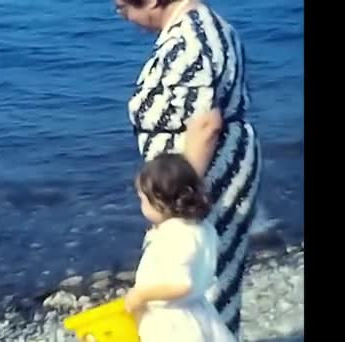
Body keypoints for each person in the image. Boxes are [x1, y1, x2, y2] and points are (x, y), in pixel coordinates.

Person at [114, 0, 262, 337]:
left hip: (205, 175)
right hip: (207, 172)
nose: (123, 17)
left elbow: (205, 123)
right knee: (209, 279)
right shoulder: (204, 27)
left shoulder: (190, 40)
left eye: (123, 7)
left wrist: (172, 198)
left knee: (198, 285)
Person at [124, 153, 236, 342]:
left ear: (160, 201)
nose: (141, 205)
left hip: (172, 323)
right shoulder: (202, 228)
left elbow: (182, 284)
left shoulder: (175, 236)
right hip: (199, 313)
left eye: (143, 199)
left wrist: (141, 295)